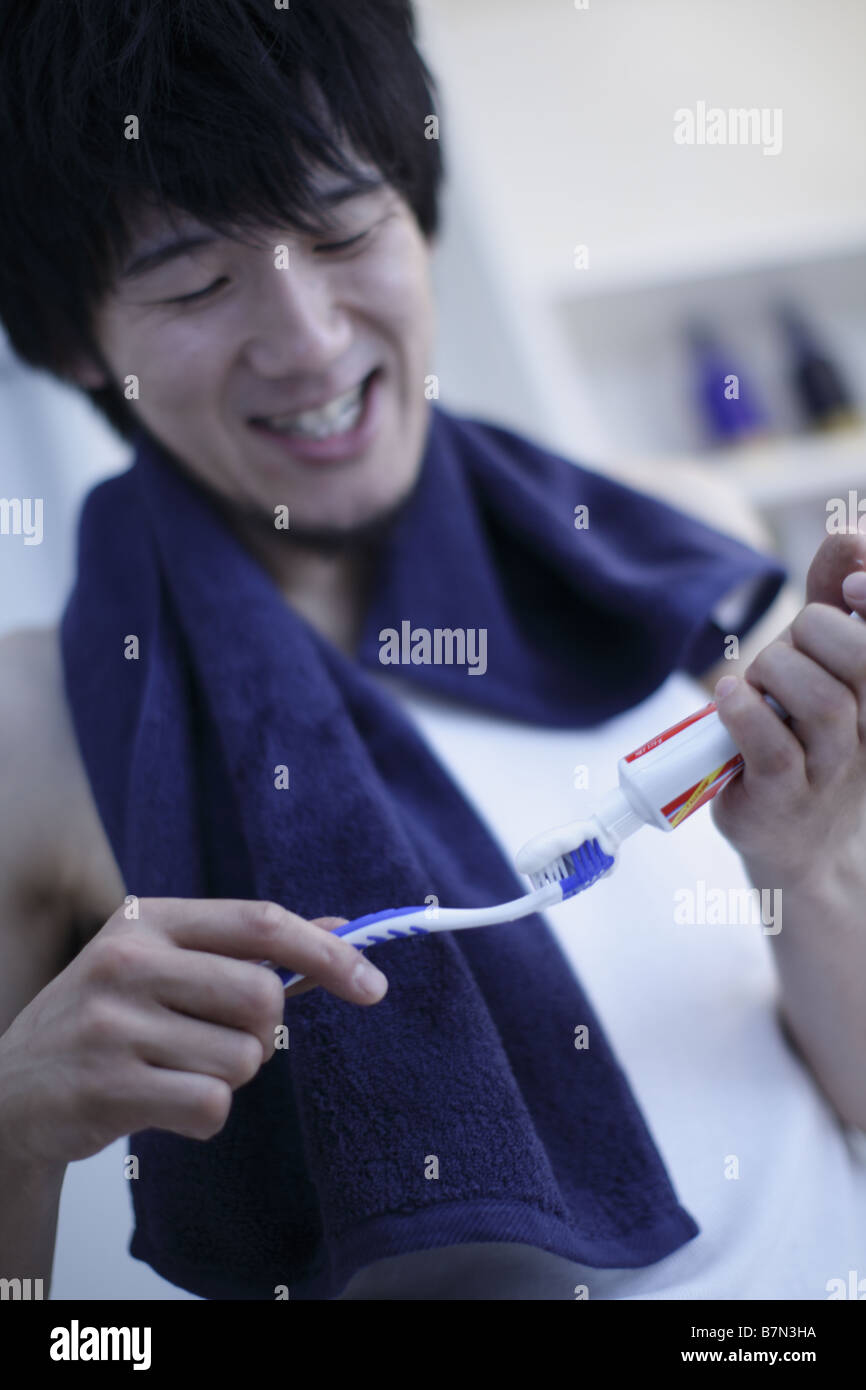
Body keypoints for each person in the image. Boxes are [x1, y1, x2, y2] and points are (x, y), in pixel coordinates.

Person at [0, 0, 864, 1303]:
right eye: (193, 281)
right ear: (74, 345)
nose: (309, 342)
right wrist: (15, 1127)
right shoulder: (36, 723)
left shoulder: (671, 546)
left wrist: (797, 866)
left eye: (345, 230)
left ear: (419, 212)